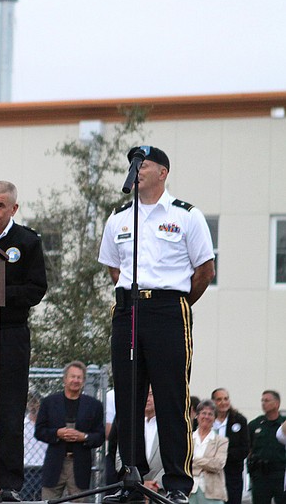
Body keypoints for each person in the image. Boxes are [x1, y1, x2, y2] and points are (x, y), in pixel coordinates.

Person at [99, 146, 216, 504]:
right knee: (129, 399)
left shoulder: (186, 215)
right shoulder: (119, 217)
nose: (136, 171)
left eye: (143, 164)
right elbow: (114, 268)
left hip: (169, 310)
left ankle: (177, 484)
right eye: (133, 165)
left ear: (162, 172)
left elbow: (204, 271)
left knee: (170, 398)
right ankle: (130, 481)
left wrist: (174, 304)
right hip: (128, 310)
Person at [0, 180, 48, 503]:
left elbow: (36, 289)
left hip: (11, 335)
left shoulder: (27, 242)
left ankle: (9, 484)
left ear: (14, 208)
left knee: (10, 414)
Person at [34, 361, 105, 502]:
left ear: (84, 381)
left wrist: (83, 437)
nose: (75, 380)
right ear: (65, 379)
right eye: (72, 377)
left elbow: (100, 436)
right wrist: (57, 433)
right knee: (47, 501)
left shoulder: (94, 405)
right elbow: (39, 431)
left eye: (79, 377)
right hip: (54, 464)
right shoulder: (49, 402)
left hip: (80, 465)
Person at [114, 388, 165, 493]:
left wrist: (156, 484)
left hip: (160, 492)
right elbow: (120, 459)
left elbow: (173, 459)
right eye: (144, 394)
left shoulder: (168, 427)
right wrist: (140, 483)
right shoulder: (130, 426)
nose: (147, 399)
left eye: (151, 394)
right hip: (133, 491)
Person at [211, 388, 249, 504]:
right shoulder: (208, 420)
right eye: (219, 399)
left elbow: (244, 448)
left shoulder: (239, 420)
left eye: (226, 399)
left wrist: (223, 456)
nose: (223, 402)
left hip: (232, 475)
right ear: (213, 402)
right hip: (211, 475)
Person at [247, 390, 286, 504]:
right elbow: (248, 447)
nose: (263, 403)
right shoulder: (255, 424)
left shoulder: (283, 425)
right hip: (260, 475)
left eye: (267, 400)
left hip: (280, 473)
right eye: (262, 400)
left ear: (277, 404)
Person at [188, 399, 228, 504]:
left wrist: (194, 460)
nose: (206, 416)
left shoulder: (221, 441)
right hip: (189, 490)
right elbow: (182, 462)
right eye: (203, 413)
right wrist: (207, 462)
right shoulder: (188, 439)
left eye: (210, 414)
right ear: (197, 416)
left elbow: (218, 464)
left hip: (213, 493)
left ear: (215, 418)